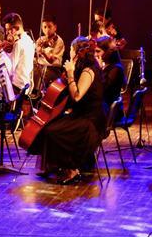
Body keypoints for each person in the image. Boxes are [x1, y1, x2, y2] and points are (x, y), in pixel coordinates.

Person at [28, 37, 105, 185]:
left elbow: (77, 96)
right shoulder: (82, 68)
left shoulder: (88, 71)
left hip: (90, 122)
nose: (69, 53)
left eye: (71, 49)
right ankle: (53, 166)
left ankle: (72, 169)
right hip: (81, 115)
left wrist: (70, 74)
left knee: (53, 131)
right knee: (49, 127)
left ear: (77, 53)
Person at [2, 12, 35, 93]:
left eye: (9, 30)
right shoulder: (29, 40)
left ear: (17, 28)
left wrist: (2, 52)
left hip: (17, 86)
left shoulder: (19, 44)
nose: (7, 33)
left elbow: (10, 67)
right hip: (26, 83)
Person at [35, 16, 65, 89]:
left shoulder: (59, 41)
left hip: (53, 70)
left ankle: (38, 93)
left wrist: (43, 52)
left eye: (49, 27)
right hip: (41, 68)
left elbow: (52, 60)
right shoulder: (41, 39)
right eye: (45, 27)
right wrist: (36, 50)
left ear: (55, 27)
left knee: (43, 74)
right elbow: (35, 56)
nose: (47, 29)